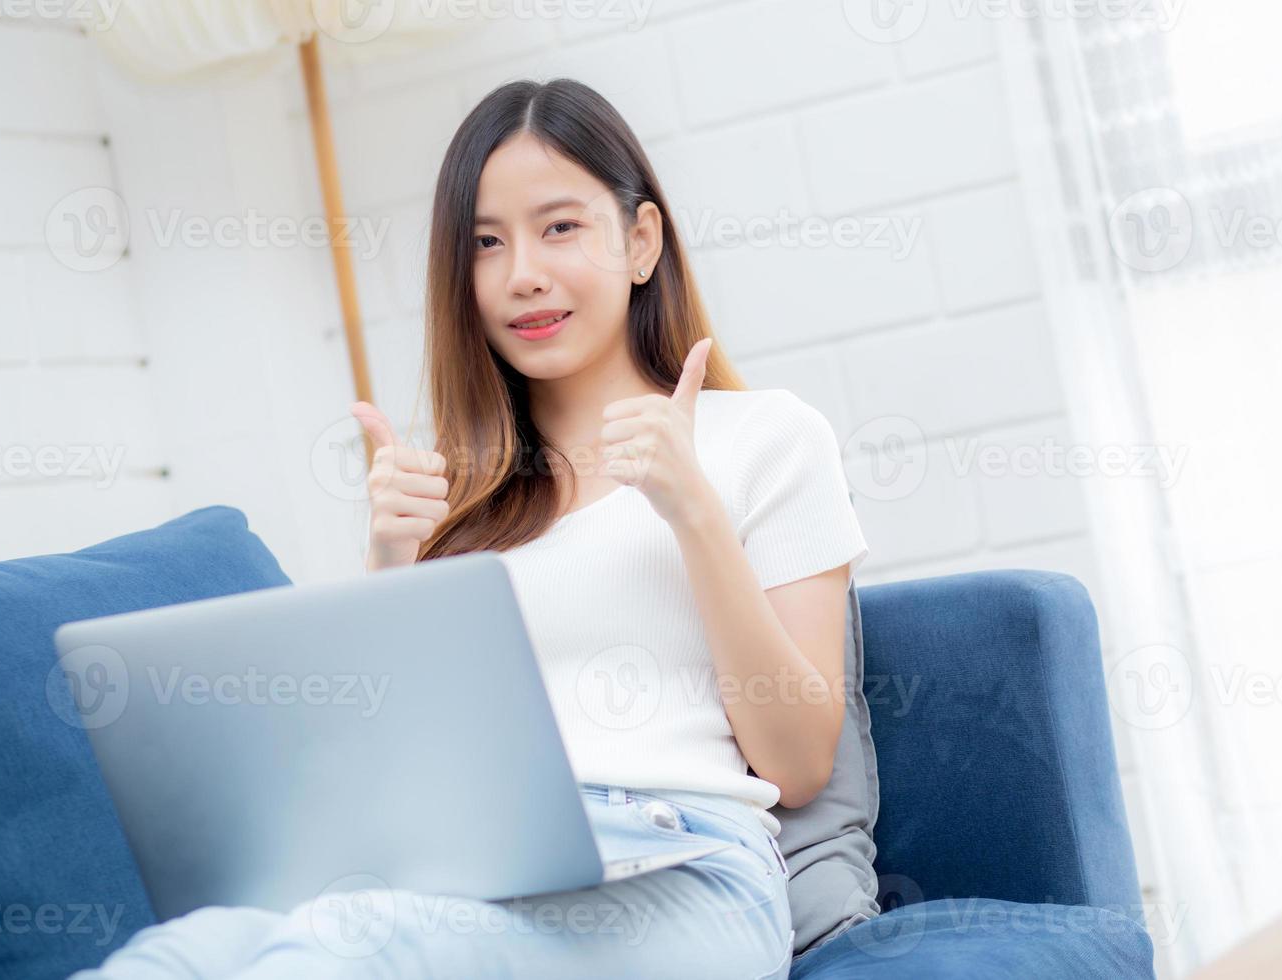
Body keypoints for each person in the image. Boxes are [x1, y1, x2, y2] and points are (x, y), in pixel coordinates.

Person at [74, 76, 868, 980]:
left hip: (687, 872)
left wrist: (693, 512)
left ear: (641, 240)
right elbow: (377, 775)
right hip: (473, 869)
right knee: (184, 953)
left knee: (341, 950)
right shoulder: (460, 494)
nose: (520, 271)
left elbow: (800, 762)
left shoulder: (768, 438)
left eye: (559, 226)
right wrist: (390, 563)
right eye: (485, 243)